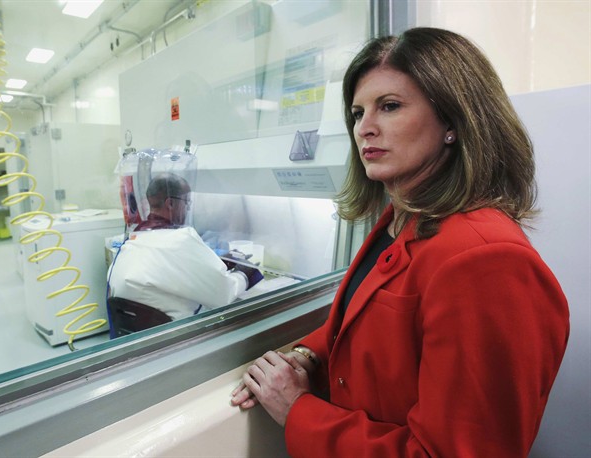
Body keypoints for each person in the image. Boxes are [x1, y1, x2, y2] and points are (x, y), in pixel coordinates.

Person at [230, 27, 569, 457]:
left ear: (453, 120)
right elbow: (375, 327)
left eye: (389, 107)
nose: (364, 129)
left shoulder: (485, 259)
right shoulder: (404, 219)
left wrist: (299, 411)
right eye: (357, 113)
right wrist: (308, 355)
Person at [108, 172, 263, 323]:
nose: (187, 209)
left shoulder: (135, 239)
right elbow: (223, 294)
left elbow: (169, 271)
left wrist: (218, 263)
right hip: (178, 338)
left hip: (143, 336)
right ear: (170, 203)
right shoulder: (180, 239)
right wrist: (244, 273)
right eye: (186, 202)